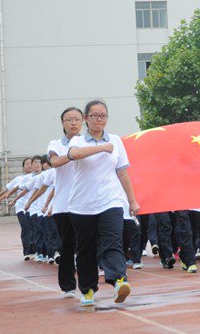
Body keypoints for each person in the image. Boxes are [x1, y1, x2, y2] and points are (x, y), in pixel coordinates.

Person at [64, 100, 139, 307]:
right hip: (81, 205)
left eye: (103, 116)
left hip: (110, 201)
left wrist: (132, 201)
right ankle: (88, 291)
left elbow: (122, 171)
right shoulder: (78, 140)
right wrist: (101, 148)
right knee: (86, 249)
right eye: (95, 116)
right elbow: (74, 155)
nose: (99, 119)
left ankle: (119, 281)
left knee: (112, 241)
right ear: (86, 119)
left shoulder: (116, 140)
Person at [46, 107, 84, 296]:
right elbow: (55, 162)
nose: (73, 123)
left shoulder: (87, 142)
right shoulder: (55, 144)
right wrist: (72, 154)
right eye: (69, 119)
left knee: (86, 245)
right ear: (63, 123)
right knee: (68, 245)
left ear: (83, 121)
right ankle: (68, 285)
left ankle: (87, 284)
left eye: (77, 119)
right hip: (63, 205)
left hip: (86, 203)